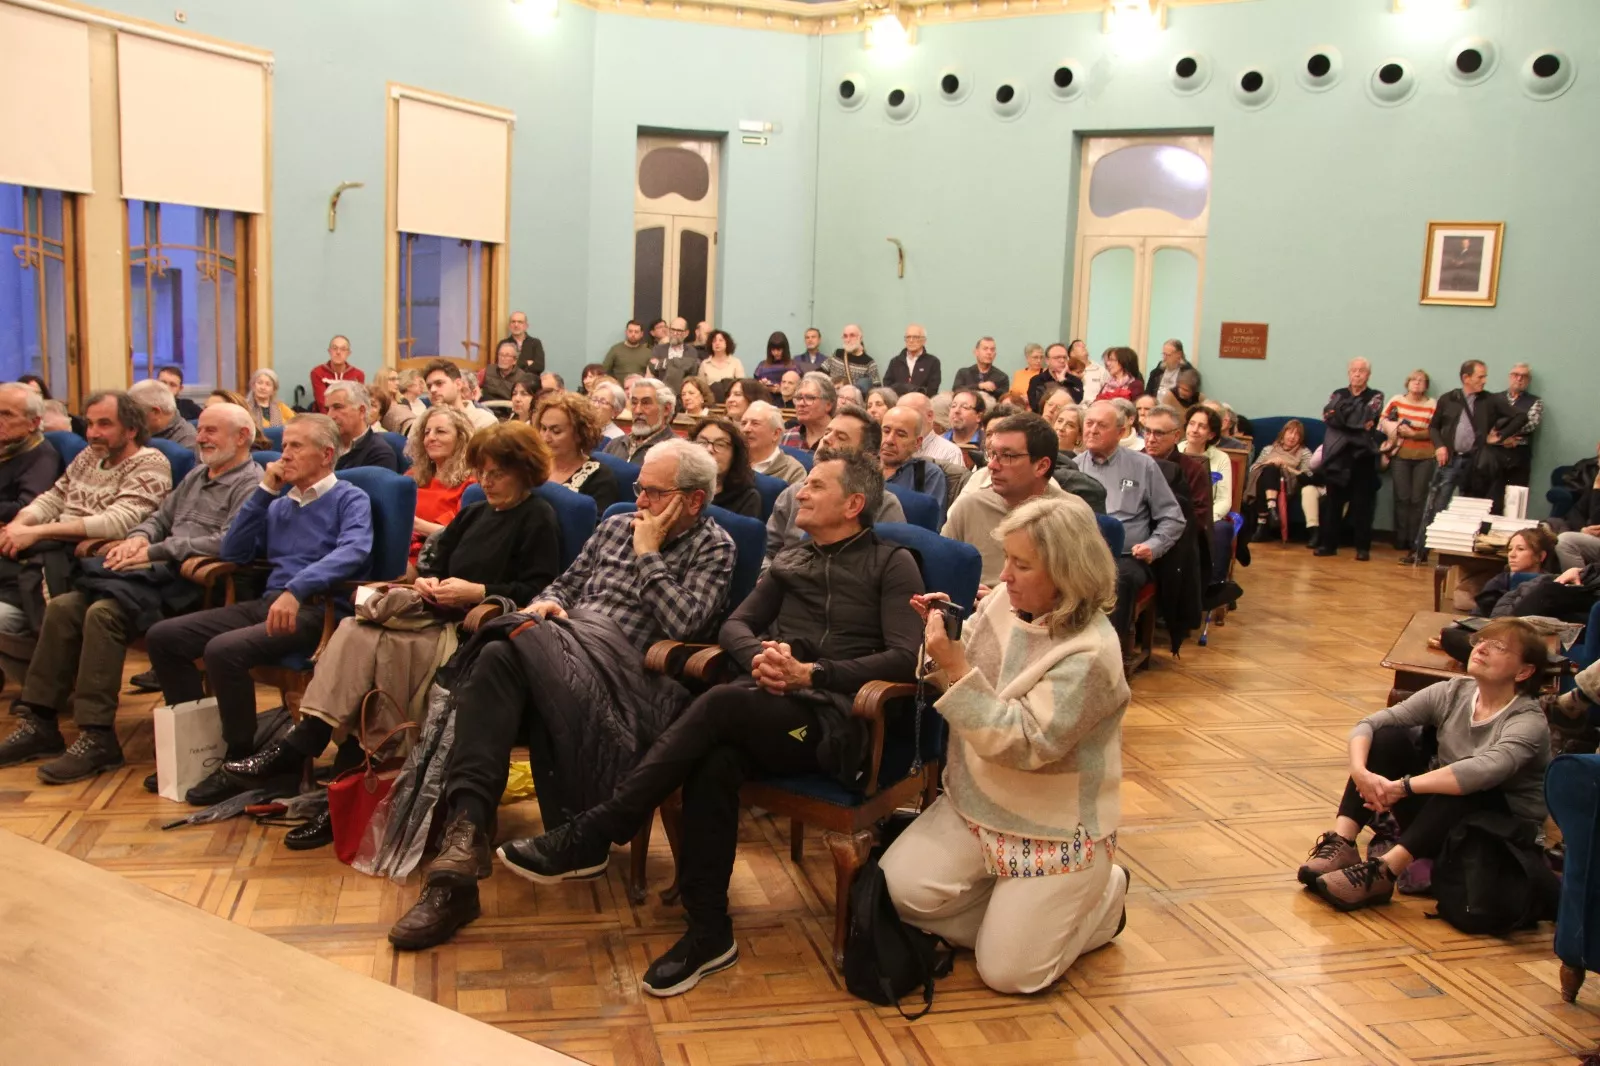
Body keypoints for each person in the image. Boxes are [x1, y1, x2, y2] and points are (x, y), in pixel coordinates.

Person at [495, 449, 922, 996]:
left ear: (854, 504)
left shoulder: (892, 563)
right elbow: (736, 626)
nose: (801, 493)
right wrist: (766, 658)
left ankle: (602, 826)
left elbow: (904, 657)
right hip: (771, 710)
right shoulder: (795, 560)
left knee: (720, 706)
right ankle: (708, 931)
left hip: (831, 728)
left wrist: (811, 674)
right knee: (712, 762)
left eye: (815, 485)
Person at [386, 439, 735, 951]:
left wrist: (648, 556)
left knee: (500, 649)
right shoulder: (615, 526)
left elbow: (687, 622)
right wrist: (546, 606)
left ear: (693, 501)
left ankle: (465, 844)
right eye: (639, 488)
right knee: (504, 653)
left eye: (655, 494)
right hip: (557, 653)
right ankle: (459, 859)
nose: (639, 502)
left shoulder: (715, 545)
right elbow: (563, 586)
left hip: (629, 678)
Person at [223, 422, 564, 847]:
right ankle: (320, 761)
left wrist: (480, 592)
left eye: (498, 473)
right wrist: (425, 580)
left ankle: (319, 768)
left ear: (525, 471)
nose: (486, 481)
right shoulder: (476, 512)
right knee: (353, 628)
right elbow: (435, 561)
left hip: (474, 631)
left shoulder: (537, 517)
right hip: (433, 615)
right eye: (482, 471)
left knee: (372, 661)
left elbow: (540, 589)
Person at [886, 494, 1130, 993]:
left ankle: (1104, 900)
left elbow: (1021, 745)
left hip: (1055, 829)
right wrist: (939, 643)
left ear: (1066, 574)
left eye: (1022, 565)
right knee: (897, 894)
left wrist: (952, 665)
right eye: (1008, 560)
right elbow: (957, 666)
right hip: (978, 805)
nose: (1006, 576)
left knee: (1010, 975)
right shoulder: (1008, 600)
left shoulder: (1093, 655)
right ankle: (1020, 913)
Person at [0, 404, 260, 781]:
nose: (200, 437)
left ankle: (97, 735)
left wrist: (152, 550)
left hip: (197, 587)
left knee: (101, 614)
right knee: (65, 606)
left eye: (211, 431)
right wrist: (136, 539)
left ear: (242, 437)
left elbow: (228, 543)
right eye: (200, 429)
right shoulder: (197, 475)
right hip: (153, 575)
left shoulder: (251, 483)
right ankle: (40, 720)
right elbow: (158, 519)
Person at [145, 415, 373, 806]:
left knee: (223, 650)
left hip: (319, 612)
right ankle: (200, 747)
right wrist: (265, 490)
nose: (285, 455)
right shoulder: (280, 504)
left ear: (327, 454)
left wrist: (297, 589)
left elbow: (353, 551)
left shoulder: (350, 498)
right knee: (165, 637)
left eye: (296, 446)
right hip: (271, 603)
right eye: (284, 446)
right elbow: (234, 552)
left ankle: (240, 760)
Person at [1298, 617, 1551, 911]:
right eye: (1481, 641)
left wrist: (1403, 788)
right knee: (1386, 737)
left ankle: (1384, 871)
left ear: (1524, 671)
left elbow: (1484, 770)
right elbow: (1369, 724)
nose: (1482, 648)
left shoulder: (1528, 721)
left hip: (1497, 836)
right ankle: (1343, 843)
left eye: (1499, 646)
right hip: (1441, 822)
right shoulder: (1454, 692)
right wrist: (1361, 772)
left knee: (1468, 785)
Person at [0, 391, 170, 636]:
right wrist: (19, 526)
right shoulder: (90, 455)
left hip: (81, 562)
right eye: (89, 424)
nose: (92, 433)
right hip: (46, 553)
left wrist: (35, 532)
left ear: (131, 430)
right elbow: (53, 498)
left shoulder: (151, 463)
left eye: (104, 424)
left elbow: (117, 523)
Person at [1075, 401, 1185, 641]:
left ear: (1121, 432)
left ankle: (1110, 656)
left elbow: (1173, 517)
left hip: (1125, 557)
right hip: (1081, 554)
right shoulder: (1073, 468)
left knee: (1119, 580)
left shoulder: (1143, 465)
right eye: (1089, 423)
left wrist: (1153, 546)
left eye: (1101, 425)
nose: (1092, 430)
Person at [943, 413, 1074, 590]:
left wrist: (1000, 603)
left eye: (1007, 456)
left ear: (1041, 466)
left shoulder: (1071, 516)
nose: (992, 465)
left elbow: (1084, 594)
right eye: (992, 454)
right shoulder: (970, 506)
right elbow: (940, 571)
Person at [766, 407, 905, 562]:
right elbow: (766, 552)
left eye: (841, 437)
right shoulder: (795, 493)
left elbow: (887, 564)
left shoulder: (885, 504)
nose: (826, 439)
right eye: (827, 432)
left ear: (867, 456)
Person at [1416, 360, 1492, 559]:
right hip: (1449, 460)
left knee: (1471, 508)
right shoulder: (1448, 399)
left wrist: (1501, 435)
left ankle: (1463, 554)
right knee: (1436, 506)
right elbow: (1433, 427)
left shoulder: (1488, 401)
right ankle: (1420, 552)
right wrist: (1440, 446)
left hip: (1474, 462)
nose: (1484, 381)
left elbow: (1515, 418)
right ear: (1466, 378)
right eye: (1480, 377)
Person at [1316, 358, 1384, 560]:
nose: (1357, 374)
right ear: (1348, 373)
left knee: (1363, 505)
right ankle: (1328, 545)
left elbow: (1366, 417)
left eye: (1362, 371)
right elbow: (1328, 416)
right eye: (1354, 370)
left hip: (1362, 457)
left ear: (1368, 375)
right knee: (1333, 503)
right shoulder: (1338, 393)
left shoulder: (1376, 396)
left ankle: (1362, 549)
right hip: (1338, 457)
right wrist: (1353, 419)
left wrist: (1343, 416)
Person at [405, 406, 476, 567]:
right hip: (399, 546)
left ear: (461, 439)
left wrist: (410, 522)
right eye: (427, 432)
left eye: (440, 432)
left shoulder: (471, 484)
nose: (431, 438)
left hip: (433, 558)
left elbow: (458, 535)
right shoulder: (412, 477)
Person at [532, 391, 619, 514]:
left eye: (556, 431)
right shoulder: (532, 466)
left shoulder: (600, 478)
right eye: (543, 428)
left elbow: (596, 529)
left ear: (579, 434)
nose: (546, 438)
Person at [1383, 370, 1437, 563]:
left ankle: (1415, 539)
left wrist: (1415, 434)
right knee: (1401, 497)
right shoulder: (1397, 400)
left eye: (1421, 381)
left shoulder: (1432, 404)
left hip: (1425, 456)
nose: (1417, 383)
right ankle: (1400, 537)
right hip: (1401, 455)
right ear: (1407, 383)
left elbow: (1435, 430)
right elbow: (1383, 422)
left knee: (1418, 499)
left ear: (1426, 385)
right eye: (1414, 380)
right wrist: (1399, 428)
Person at [1179, 406, 1234, 584]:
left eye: (1202, 426)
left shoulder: (1221, 458)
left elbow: (1224, 499)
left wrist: (1206, 518)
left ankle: (1212, 587)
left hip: (1208, 515)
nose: (1194, 430)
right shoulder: (1174, 451)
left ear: (1211, 434)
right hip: (1175, 513)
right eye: (1192, 424)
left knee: (1222, 530)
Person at [0, 384, 63, 525]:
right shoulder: (5, 446)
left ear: (34, 423)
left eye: (6, 414)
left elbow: (27, 509)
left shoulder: (42, 456)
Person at [1244, 419, 1314, 542]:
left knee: (1269, 472)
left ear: (1300, 438)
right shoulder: (1269, 449)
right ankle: (1271, 510)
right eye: (1290, 432)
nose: (1292, 437)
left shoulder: (1304, 452)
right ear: (1283, 433)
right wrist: (1269, 462)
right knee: (1266, 471)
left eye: (1297, 434)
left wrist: (1285, 467)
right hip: (1266, 479)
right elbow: (1253, 469)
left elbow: (1307, 475)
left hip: (1287, 483)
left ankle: (1264, 521)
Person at [880, 406, 948, 526]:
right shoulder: (862, 467)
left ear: (917, 443)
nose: (889, 440)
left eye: (900, 435)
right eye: (886, 431)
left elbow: (931, 527)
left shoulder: (928, 474)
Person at [685, 416, 761, 519]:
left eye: (720, 444)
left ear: (735, 454)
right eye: (702, 442)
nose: (709, 449)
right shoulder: (678, 486)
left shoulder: (748, 497)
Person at [1486, 362, 1543, 497]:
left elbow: (1531, 424)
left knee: (1516, 500)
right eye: (1516, 375)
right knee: (1491, 499)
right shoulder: (1493, 399)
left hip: (1519, 457)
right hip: (1493, 456)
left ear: (1528, 380)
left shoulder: (1535, 401)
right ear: (1509, 377)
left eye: (1524, 376)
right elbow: (1485, 424)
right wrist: (1503, 439)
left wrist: (1501, 433)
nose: (1519, 379)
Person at [324, 381, 399, 472]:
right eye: (327, 409)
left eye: (338, 407)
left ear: (361, 411)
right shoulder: (323, 446)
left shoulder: (380, 454)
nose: (330, 415)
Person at [606, 378, 678, 463]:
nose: (637, 411)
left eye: (646, 403)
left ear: (666, 409)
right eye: (634, 402)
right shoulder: (615, 444)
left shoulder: (677, 450)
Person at [740, 402, 807, 486]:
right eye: (743, 423)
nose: (746, 429)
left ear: (775, 434)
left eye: (755, 423)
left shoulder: (793, 471)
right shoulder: (731, 462)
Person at [895, 392, 966, 472]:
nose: (903, 420)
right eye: (899, 415)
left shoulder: (950, 452)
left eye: (911, 414)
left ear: (930, 416)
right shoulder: (891, 447)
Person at [422, 359, 496, 432]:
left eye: (439, 383)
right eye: (429, 386)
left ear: (458, 384)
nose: (432, 390)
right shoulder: (422, 421)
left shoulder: (484, 420)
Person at [129, 378, 198, 453]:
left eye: (135, 414)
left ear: (155, 412)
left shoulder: (187, 443)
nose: (131, 419)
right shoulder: (137, 432)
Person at [780, 372, 836, 453]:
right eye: (799, 398)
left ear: (828, 405)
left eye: (810, 398)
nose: (801, 403)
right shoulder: (787, 437)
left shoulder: (840, 440)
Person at [883, 324, 941, 396]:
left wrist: (910, 391)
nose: (911, 340)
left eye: (915, 337)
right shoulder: (895, 362)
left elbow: (932, 390)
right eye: (908, 337)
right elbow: (887, 387)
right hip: (898, 403)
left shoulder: (933, 362)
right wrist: (906, 388)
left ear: (924, 341)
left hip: (921, 403)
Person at [310, 335, 363, 413]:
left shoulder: (358, 375)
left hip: (348, 418)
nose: (338, 352)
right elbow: (322, 404)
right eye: (335, 348)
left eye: (343, 349)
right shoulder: (317, 372)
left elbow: (357, 403)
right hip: (325, 418)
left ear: (348, 353)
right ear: (329, 351)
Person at [648, 317, 702, 393]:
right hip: (662, 393)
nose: (674, 333)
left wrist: (664, 363)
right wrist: (682, 364)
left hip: (683, 394)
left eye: (679, 331)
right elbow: (653, 369)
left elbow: (692, 373)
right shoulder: (658, 349)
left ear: (686, 333)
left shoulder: (691, 351)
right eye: (672, 330)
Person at [822, 324, 880, 390]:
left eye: (852, 336)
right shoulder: (838, 353)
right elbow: (821, 372)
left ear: (860, 338)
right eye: (845, 336)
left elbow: (876, 389)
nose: (848, 340)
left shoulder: (869, 363)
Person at [1027, 343, 1083, 412]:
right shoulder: (1036, 380)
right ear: (1047, 361)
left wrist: (1063, 381)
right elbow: (1035, 406)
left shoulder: (1075, 380)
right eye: (1057, 358)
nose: (1062, 361)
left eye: (1064, 357)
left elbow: (1077, 401)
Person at [499, 310, 546, 378]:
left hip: (531, 384)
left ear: (526, 326)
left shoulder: (535, 343)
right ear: (509, 325)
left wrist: (514, 365)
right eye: (513, 322)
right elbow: (502, 366)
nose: (516, 325)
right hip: (509, 384)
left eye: (520, 322)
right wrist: (526, 363)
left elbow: (539, 367)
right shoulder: (503, 344)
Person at [384, 370, 427, 436]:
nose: (423, 386)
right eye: (420, 382)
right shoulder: (400, 403)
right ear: (408, 384)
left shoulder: (423, 403)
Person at [1065, 340, 1107, 406]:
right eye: (1078, 345)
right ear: (1071, 353)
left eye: (1084, 345)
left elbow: (1106, 391)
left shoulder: (1100, 370)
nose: (1083, 346)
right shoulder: (1066, 370)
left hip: (1093, 409)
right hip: (1072, 408)